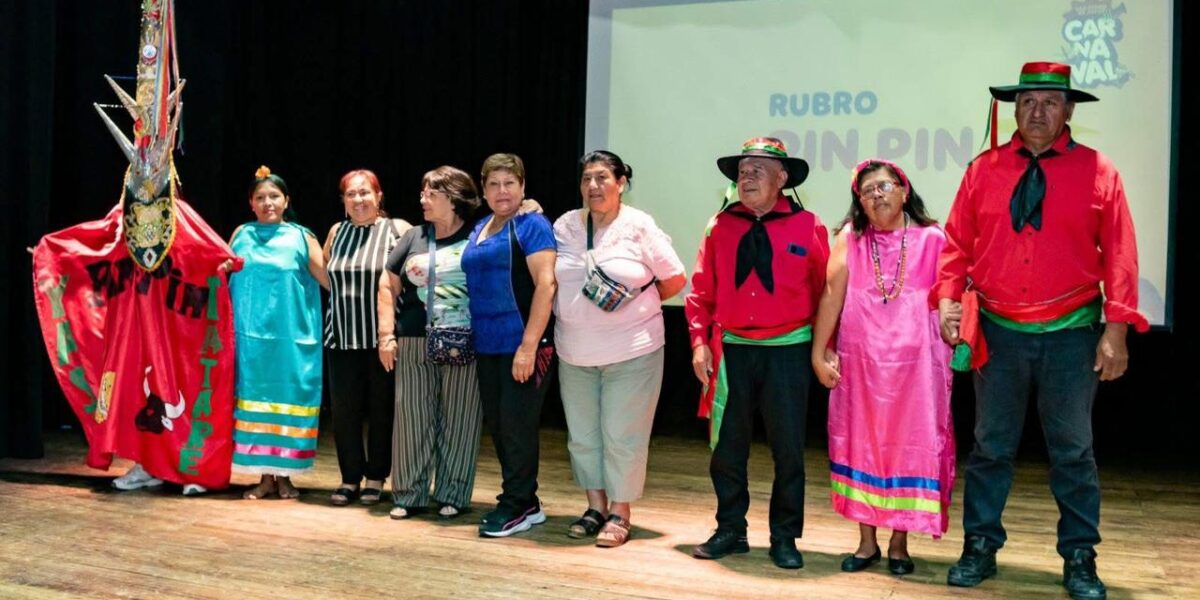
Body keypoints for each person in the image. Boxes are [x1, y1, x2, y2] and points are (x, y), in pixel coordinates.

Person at [933, 62, 1148, 600]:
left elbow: (1120, 253)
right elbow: (956, 242)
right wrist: (947, 299)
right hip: (998, 332)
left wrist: (1117, 330)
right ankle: (980, 545)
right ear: (1014, 109)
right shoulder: (983, 170)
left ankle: (1079, 556)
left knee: (1073, 451)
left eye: (1050, 102)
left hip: (1072, 333)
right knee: (990, 447)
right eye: (1028, 101)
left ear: (1068, 110)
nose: (1037, 111)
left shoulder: (1099, 171)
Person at [685, 137, 829, 569]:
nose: (746, 178)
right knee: (727, 449)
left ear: (782, 178)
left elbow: (825, 294)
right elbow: (701, 291)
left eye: (757, 171)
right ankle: (731, 529)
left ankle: (785, 537)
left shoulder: (809, 226)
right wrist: (698, 343)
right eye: (742, 171)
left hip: (788, 351)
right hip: (732, 350)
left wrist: (825, 349)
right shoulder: (720, 225)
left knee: (788, 450)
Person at [810, 159, 954, 575]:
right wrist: (819, 352)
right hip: (861, 365)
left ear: (904, 192)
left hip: (917, 368)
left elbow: (951, 291)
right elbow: (831, 296)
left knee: (910, 447)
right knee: (862, 444)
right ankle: (866, 542)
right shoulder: (850, 239)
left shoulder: (933, 238)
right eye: (867, 190)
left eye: (884, 186)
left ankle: (899, 543)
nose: (876, 195)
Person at [552, 151, 687, 547]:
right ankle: (595, 507)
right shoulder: (565, 225)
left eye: (602, 178)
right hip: (574, 350)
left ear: (621, 183)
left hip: (633, 351)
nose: (593, 186)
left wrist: (637, 309)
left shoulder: (639, 225)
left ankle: (620, 513)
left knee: (622, 435)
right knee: (583, 436)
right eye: (586, 179)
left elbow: (675, 278)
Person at [377, 166, 484, 520]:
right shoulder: (414, 237)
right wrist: (386, 335)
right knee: (411, 417)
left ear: (453, 199)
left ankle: (453, 492)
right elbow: (386, 285)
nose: (422, 199)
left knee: (460, 417)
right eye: (422, 192)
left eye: (431, 194)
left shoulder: (478, 235)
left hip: (464, 339)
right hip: (413, 338)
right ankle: (409, 494)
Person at [461, 153, 557, 538]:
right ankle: (527, 501)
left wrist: (528, 347)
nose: (503, 191)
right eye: (494, 184)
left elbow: (546, 285)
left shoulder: (533, 225)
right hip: (488, 345)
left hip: (523, 344)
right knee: (501, 428)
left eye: (510, 183)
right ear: (484, 191)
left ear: (522, 187)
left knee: (517, 428)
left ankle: (515, 504)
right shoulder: (481, 227)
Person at [227, 167, 328, 500]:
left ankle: (285, 477)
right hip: (250, 342)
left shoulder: (302, 237)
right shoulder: (241, 234)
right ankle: (266, 478)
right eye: (260, 197)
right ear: (251, 203)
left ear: (286, 201)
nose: (267, 202)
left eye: (274, 196)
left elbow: (329, 280)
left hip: (291, 341)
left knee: (288, 403)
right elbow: (220, 272)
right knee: (256, 401)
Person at [323, 169, 412, 506]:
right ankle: (350, 478)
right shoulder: (337, 231)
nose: (358, 199)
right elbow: (325, 269)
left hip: (381, 341)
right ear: (343, 200)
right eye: (351, 194)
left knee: (381, 410)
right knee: (344, 413)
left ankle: (376, 476)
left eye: (365, 192)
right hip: (341, 337)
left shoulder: (398, 229)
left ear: (378, 196)